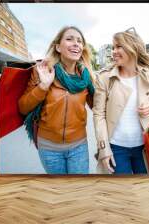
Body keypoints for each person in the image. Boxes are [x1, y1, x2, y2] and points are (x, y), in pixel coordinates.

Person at [18, 26, 95, 174]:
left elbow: (98, 108)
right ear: (58, 47)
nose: (76, 43)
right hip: (49, 148)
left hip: (78, 146)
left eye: (79, 41)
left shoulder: (86, 77)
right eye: (69, 39)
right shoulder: (42, 70)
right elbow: (23, 107)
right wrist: (43, 86)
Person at [93, 29, 149, 174]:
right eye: (113, 47)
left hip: (146, 146)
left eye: (118, 46)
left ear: (132, 47)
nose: (113, 51)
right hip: (116, 148)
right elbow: (98, 115)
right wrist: (103, 148)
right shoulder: (105, 78)